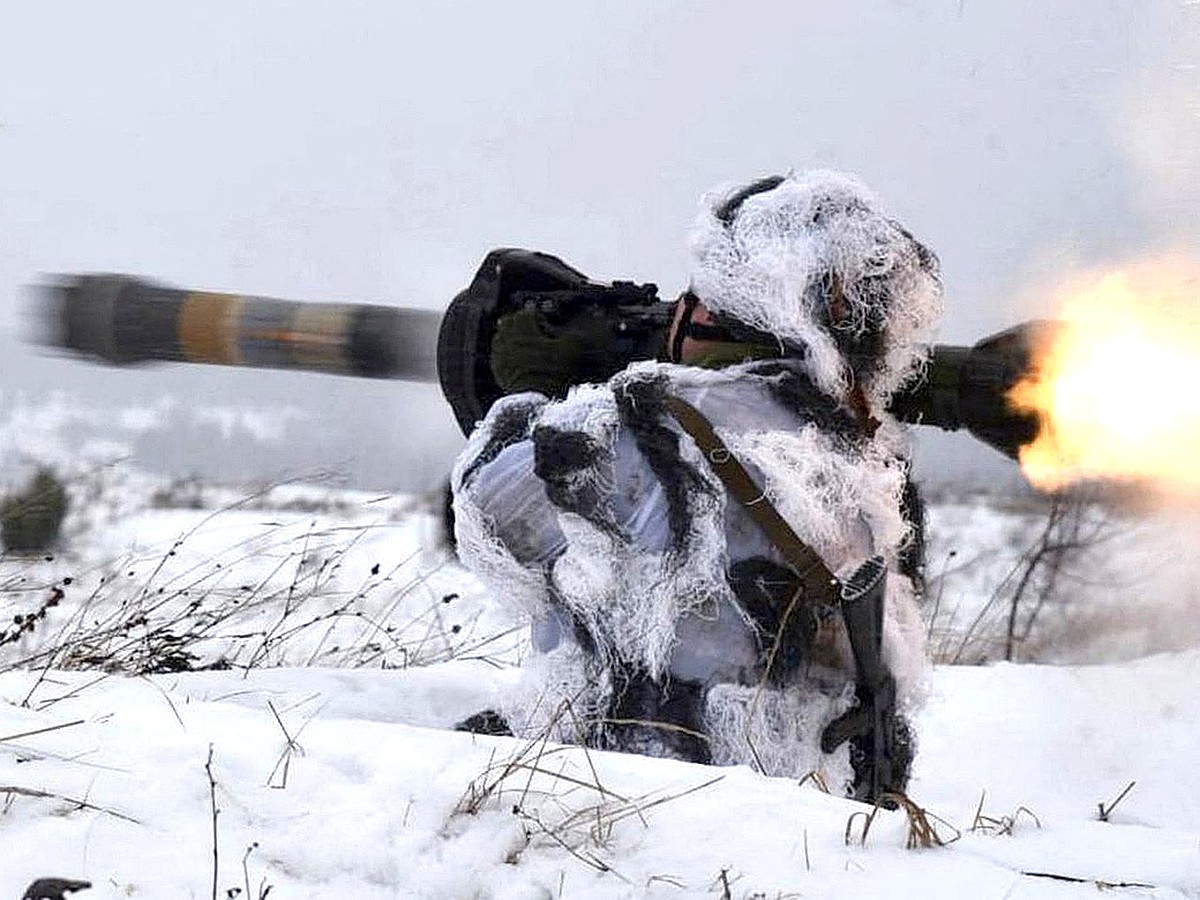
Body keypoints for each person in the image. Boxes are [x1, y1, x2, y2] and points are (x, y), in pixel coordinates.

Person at [450, 170, 942, 802]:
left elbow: (492, 516)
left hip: (652, 795)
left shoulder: (647, 427)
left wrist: (534, 397)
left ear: (716, 305)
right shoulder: (862, 452)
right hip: (810, 799)